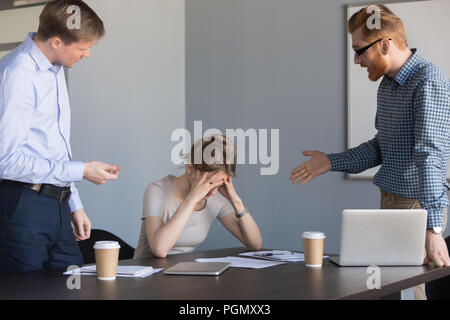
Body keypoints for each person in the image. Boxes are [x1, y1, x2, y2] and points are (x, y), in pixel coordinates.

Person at [289, 4, 449, 299]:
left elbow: (431, 156)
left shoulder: (428, 81)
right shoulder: (387, 86)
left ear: (385, 44)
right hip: (391, 203)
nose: (356, 59)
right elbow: (380, 147)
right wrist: (330, 162)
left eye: (360, 49)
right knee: (382, 288)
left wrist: (433, 228)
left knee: (415, 292)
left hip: (416, 208)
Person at [0, 0, 121, 273]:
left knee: (72, 284)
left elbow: (55, 149)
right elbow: (6, 160)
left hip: (58, 205)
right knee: (26, 293)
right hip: (23, 208)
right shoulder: (17, 73)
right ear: (56, 42)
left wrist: (74, 204)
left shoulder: (54, 71)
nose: (87, 54)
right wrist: (82, 170)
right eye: (82, 47)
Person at [134, 135, 262, 258]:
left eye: (219, 184)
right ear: (190, 169)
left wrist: (235, 200)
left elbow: (255, 244)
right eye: (209, 183)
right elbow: (159, 249)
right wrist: (191, 199)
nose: (213, 192)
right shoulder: (157, 190)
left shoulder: (215, 197)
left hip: (184, 274)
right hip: (148, 274)